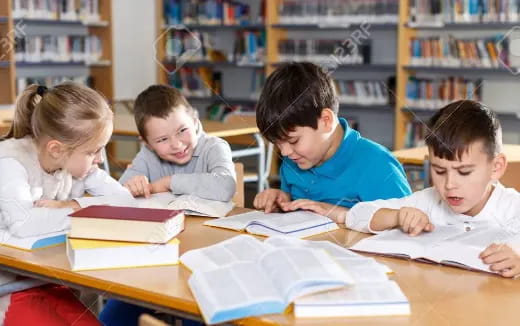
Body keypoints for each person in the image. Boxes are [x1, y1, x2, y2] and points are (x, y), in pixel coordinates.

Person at [0, 83, 132, 324]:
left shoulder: (72, 161)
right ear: (56, 149)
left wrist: (73, 205)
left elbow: (124, 201)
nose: (101, 159)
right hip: (8, 292)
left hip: (50, 283)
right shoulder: (10, 162)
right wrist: (88, 210)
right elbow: (24, 223)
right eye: (94, 151)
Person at [346, 100, 520, 278]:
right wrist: (396, 217)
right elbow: (356, 216)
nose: (449, 184)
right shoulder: (428, 200)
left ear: (496, 167)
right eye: (439, 170)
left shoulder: (513, 208)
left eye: (464, 172)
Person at [253, 62, 411, 223]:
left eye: (293, 141)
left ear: (326, 121)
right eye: (278, 144)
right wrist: (282, 201)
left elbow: (406, 224)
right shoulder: (294, 161)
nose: (285, 153)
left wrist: (343, 215)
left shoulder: (377, 164)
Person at [119, 85, 236, 202]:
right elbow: (118, 193)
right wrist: (132, 186)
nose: (176, 144)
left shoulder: (214, 147)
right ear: (148, 144)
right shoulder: (147, 154)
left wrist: (168, 183)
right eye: (163, 139)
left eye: (182, 130)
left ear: (195, 121)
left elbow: (226, 187)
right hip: (165, 220)